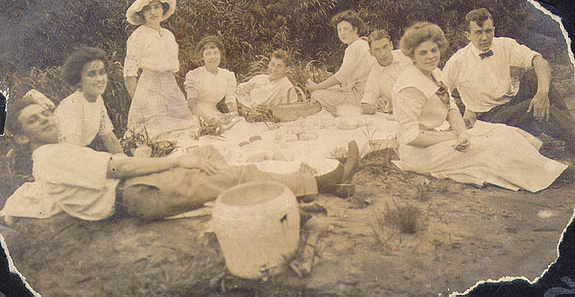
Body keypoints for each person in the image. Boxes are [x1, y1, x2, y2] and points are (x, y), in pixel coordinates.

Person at [0, 99, 359, 223]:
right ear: (21, 136)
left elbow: (112, 164)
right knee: (230, 173)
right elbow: (119, 169)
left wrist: (166, 158)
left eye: (44, 114)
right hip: (137, 195)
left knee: (206, 154)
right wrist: (174, 163)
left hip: (132, 188)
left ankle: (306, 188)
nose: (46, 120)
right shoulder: (49, 156)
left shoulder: (57, 152)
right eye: (34, 121)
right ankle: (321, 183)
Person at [392, 22, 568, 192]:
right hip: (422, 152)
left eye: (434, 50)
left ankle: (546, 169)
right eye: (423, 53)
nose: (431, 56)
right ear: (412, 56)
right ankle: (546, 177)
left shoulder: (435, 73)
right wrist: (454, 136)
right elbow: (412, 136)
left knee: (505, 133)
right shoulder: (409, 86)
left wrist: (461, 133)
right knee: (491, 146)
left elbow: (451, 108)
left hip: (444, 136)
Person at [443, 8, 575, 153]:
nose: (485, 38)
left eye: (488, 31)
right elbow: (441, 93)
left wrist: (542, 94)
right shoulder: (458, 61)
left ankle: (570, 136)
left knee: (533, 76)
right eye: (478, 33)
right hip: (489, 117)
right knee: (533, 108)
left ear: (494, 29)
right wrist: (458, 121)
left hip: (512, 104)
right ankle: (571, 135)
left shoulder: (504, 45)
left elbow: (540, 62)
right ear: (468, 35)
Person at [123, 0, 196, 140]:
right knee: (156, 133)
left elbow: (170, 69)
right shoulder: (138, 36)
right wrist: (139, 102)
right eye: (147, 8)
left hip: (170, 86)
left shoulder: (168, 35)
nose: (153, 12)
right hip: (149, 87)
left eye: (156, 7)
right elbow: (129, 75)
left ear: (163, 8)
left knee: (185, 127)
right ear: (141, 13)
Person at [54, 46, 123, 154]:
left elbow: (109, 138)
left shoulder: (97, 100)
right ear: (79, 80)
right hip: (64, 158)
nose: (100, 79)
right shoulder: (72, 106)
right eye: (91, 74)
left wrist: (124, 160)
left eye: (102, 72)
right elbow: (72, 150)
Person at [306, 10, 376, 115]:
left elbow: (341, 77)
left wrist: (316, 87)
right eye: (339, 30)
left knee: (317, 94)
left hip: (360, 96)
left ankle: (346, 113)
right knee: (329, 89)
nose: (342, 33)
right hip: (367, 93)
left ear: (355, 30)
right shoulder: (362, 43)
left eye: (345, 29)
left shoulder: (354, 48)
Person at [184, 35, 238, 122]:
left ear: (220, 54)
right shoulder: (194, 75)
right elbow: (192, 105)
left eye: (215, 52)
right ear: (202, 57)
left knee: (238, 124)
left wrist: (233, 116)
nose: (213, 57)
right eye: (208, 53)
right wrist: (208, 118)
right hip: (196, 115)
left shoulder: (228, 75)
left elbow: (230, 102)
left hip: (215, 113)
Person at [361, 29, 412, 115]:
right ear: (371, 53)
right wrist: (376, 105)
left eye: (385, 47)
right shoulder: (375, 74)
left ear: (391, 45)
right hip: (402, 115)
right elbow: (365, 105)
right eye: (377, 49)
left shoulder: (407, 57)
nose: (383, 53)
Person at [236, 49, 297, 114]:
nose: (274, 69)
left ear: (286, 69)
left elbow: (291, 112)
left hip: (263, 120)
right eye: (272, 64)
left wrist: (271, 110)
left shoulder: (287, 88)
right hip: (244, 111)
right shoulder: (261, 78)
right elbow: (240, 91)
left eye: (279, 66)